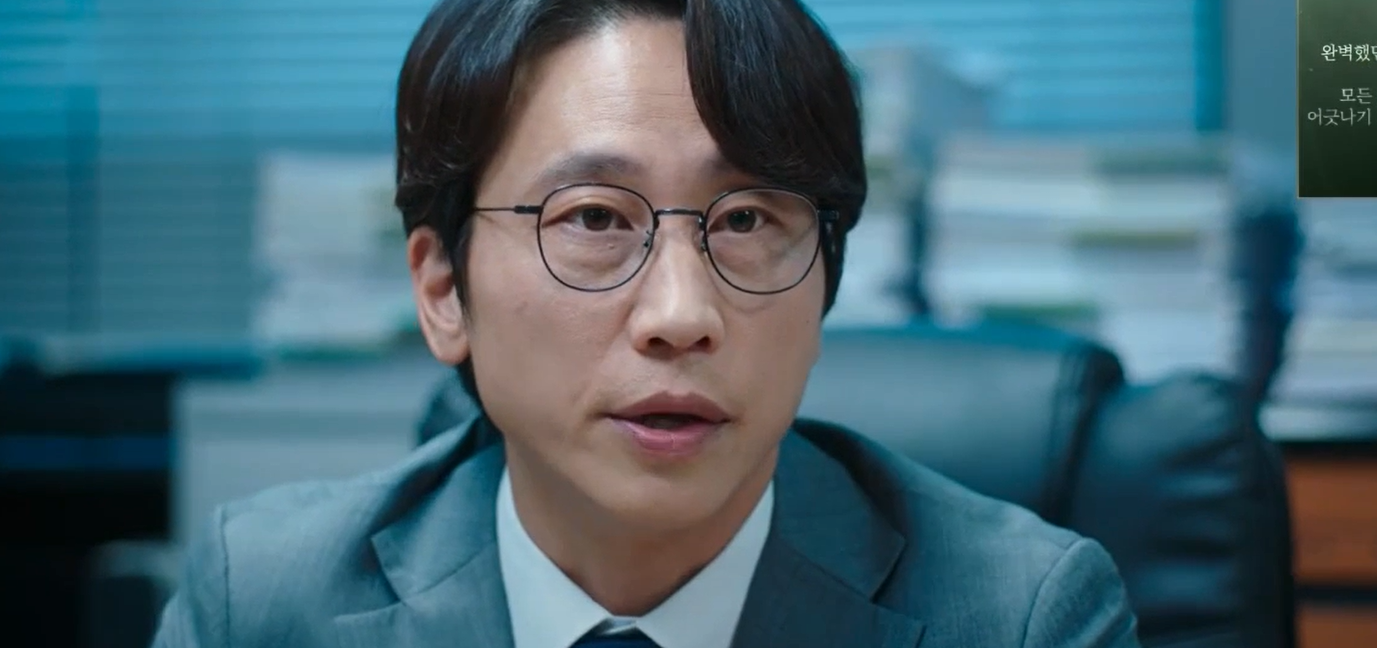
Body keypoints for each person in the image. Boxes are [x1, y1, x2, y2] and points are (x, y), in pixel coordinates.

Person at [151, 0, 1142, 646]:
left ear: (828, 282)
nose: (681, 315)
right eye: (592, 220)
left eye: (747, 222)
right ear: (445, 289)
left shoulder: (1020, 617)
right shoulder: (266, 603)